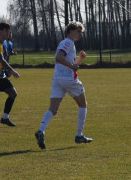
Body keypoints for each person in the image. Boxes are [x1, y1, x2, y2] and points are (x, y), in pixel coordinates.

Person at [35, 21, 91, 149]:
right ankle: (79, 135)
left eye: (81, 32)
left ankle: (41, 131)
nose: (80, 34)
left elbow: (66, 61)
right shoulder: (68, 42)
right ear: (70, 31)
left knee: (53, 109)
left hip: (58, 79)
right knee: (83, 104)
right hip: (67, 79)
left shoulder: (66, 43)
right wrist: (72, 65)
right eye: (78, 31)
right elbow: (59, 57)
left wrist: (79, 59)